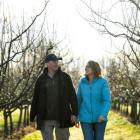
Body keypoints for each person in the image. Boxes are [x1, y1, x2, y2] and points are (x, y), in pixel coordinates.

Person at [30, 54, 78, 140]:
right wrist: (32, 118)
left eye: (57, 61)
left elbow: (73, 96)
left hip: (62, 117)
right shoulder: (40, 80)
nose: (56, 63)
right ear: (47, 63)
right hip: (45, 118)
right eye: (54, 61)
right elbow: (35, 99)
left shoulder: (65, 77)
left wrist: (75, 113)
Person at [77, 60, 111, 140]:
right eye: (85, 66)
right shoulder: (82, 82)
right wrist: (76, 115)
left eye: (88, 66)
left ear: (94, 68)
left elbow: (107, 100)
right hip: (85, 118)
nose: (86, 68)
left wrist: (103, 114)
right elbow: (78, 100)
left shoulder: (103, 82)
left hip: (100, 118)